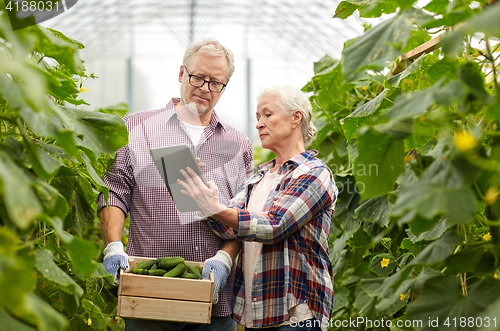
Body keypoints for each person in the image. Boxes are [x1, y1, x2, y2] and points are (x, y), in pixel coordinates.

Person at [97, 38, 254, 331]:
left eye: (215, 82)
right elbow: (113, 191)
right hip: (149, 290)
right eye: (198, 77)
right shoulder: (136, 129)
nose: (205, 88)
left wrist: (225, 257)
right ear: (182, 73)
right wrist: (113, 246)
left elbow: (246, 214)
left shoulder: (239, 145)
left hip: (214, 301)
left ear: (224, 87)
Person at [178, 85, 338, 331]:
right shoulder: (260, 176)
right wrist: (198, 194)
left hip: (297, 316)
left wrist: (214, 207)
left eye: (267, 114)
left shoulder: (314, 173)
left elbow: (275, 226)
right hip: (258, 314)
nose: (259, 124)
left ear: (296, 117)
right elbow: (228, 228)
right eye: (257, 117)